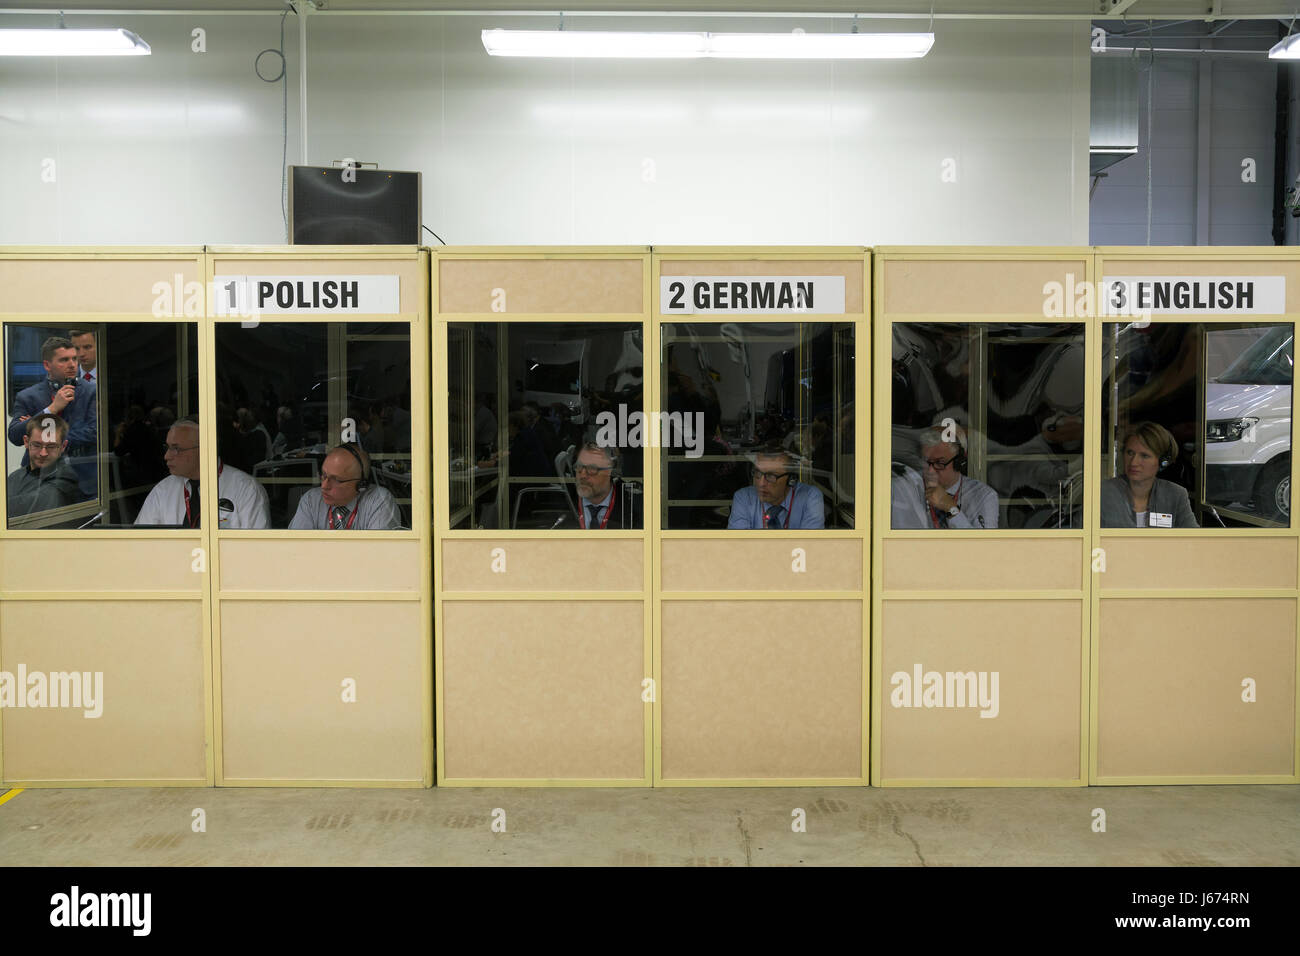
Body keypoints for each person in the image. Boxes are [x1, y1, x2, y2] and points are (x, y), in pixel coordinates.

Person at [135, 416, 269, 528]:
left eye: (176, 448)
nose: (166, 456)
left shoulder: (246, 490)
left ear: (204, 448)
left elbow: (257, 551)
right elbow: (140, 544)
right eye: (167, 447)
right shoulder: (162, 491)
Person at [7, 336, 98, 498]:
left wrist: (40, 432)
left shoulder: (92, 391)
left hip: (81, 479)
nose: (72, 364)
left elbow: (95, 432)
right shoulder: (28, 396)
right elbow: (15, 435)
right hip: (37, 480)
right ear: (47, 365)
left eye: (74, 359)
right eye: (64, 360)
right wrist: (51, 409)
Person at [892, 424, 999, 529]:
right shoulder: (904, 487)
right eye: (926, 462)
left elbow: (983, 545)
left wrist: (950, 508)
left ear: (959, 463)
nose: (930, 470)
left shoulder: (984, 496)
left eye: (939, 463)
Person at [1101, 421, 1198, 528]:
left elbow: (1194, 540)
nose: (1133, 462)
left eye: (1144, 456)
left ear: (1163, 462)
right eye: (1130, 453)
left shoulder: (1176, 495)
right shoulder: (1103, 492)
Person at [288, 443, 402, 530]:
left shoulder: (379, 501)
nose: (324, 486)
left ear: (361, 485)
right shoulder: (311, 500)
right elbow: (297, 551)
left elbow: (378, 555)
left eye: (336, 480)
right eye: (323, 475)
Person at [727, 446, 824, 529]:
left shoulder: (810, 497)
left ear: (791, 479)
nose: (761, 483)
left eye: (771, 476)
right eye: (758, 473)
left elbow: (810, 545)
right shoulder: (744, 497)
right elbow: (739, 546)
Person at [551, 442, 642, 529]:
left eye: (592, 469)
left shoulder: (629, 504)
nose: (582, 475)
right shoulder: (562, 512)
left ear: (608, 471)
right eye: (579, 467)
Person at [7, 415, 80, 518]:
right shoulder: (14, 476)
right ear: (26, 442)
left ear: (63, 446)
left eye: (51, 446)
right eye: (37, 445)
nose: (43, 453)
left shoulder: (66, 478)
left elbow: (30, 505)